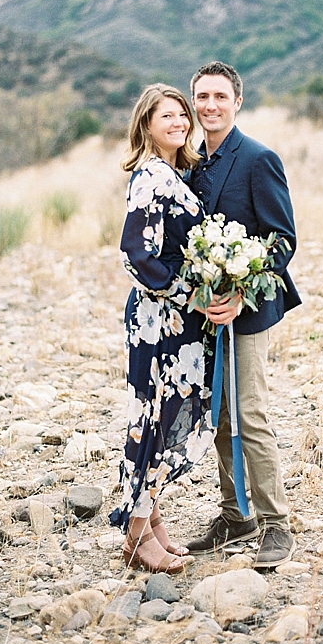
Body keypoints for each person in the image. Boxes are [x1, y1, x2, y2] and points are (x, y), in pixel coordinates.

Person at [185, 61, 301, 569]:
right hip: (205, 316)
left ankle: (277, 525)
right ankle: (235, 516)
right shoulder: (191, 164)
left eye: (219, 96)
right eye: (202, 97)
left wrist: (241, 294)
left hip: (247, 314)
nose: (210, 105)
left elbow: (283, 241)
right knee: (218, 418)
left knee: (250, 415)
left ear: (237, 102)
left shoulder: (258, 159)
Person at [109, 84, 215, 573]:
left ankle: (153, 525)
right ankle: (136, 534)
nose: (179, 122)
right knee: (160, 417)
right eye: (167, 116)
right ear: (146, 124)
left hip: (176, 321)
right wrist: (186, 293)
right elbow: (136, 255)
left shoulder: (172, 173)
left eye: (182, 115)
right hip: (160, 321)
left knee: (162, 415)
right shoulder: (151, 175)